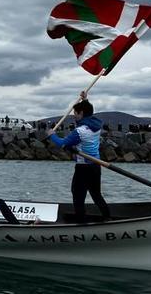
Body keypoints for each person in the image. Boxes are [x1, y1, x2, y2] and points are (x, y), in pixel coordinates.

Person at [47, 91, 111, 223]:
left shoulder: (80, 132)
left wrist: (52, 134)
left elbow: (62, 144)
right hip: (95, 166)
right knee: (96, 194)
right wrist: (85, 100)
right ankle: (107, 217)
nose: (74, 116)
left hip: (83, 168)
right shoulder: (96, 126)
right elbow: (89, 112)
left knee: (78, 195)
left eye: (75, 113)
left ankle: (81, 222)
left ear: (81, 113)